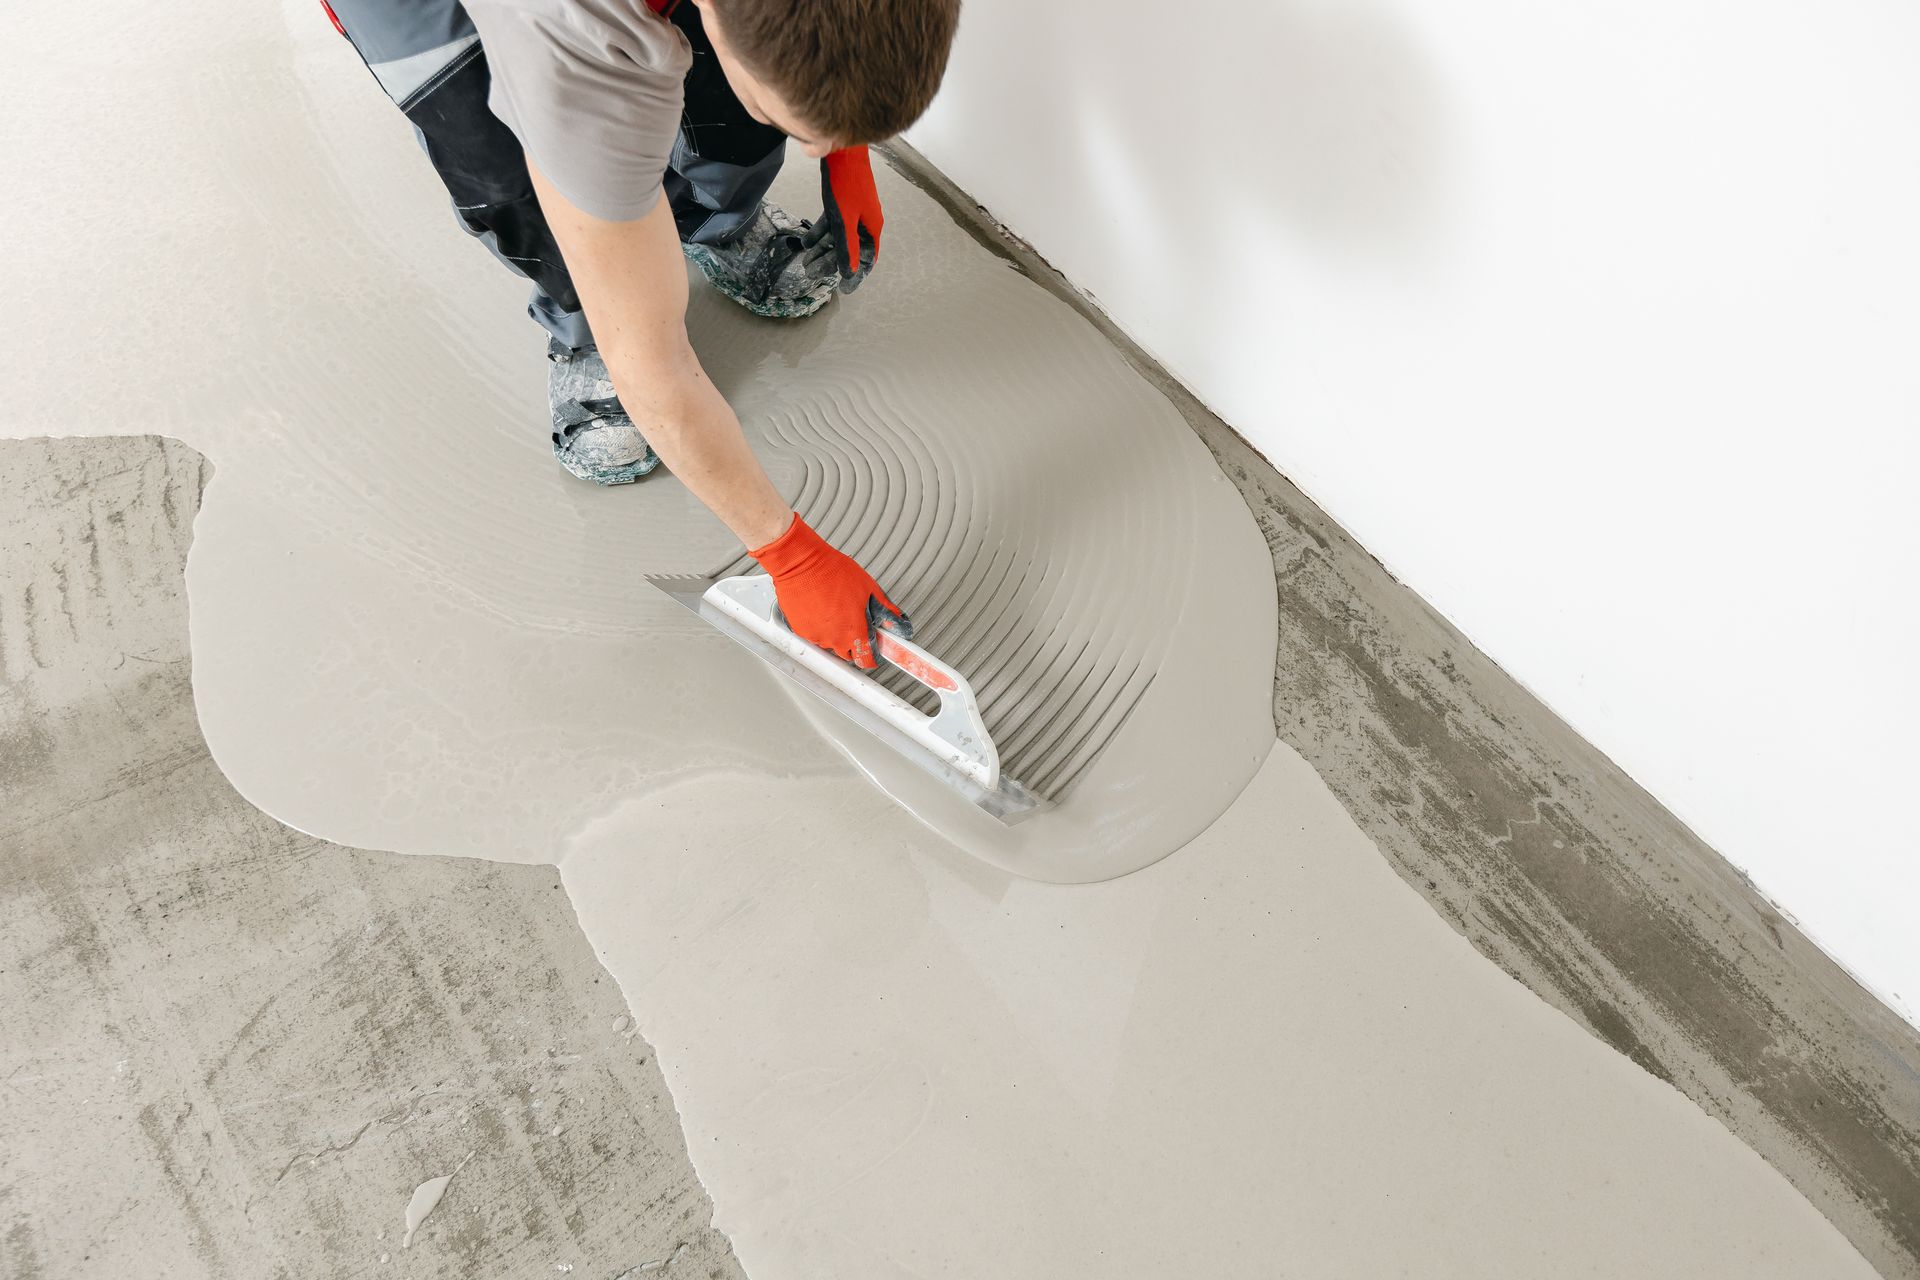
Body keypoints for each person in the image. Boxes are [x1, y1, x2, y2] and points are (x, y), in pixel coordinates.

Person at [318, 0, 960, 667]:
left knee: (727, 97)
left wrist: (846, 140)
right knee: (501, 162)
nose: (813, 149)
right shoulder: (572, 58)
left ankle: (714, 220)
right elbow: (653, 362)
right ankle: (586, 314)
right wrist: (790, 557)